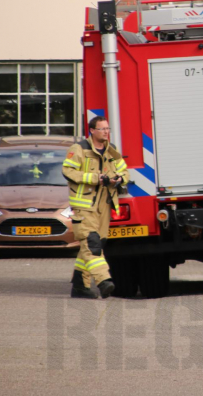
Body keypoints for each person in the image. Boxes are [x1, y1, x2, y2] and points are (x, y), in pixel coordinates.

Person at [62, 116, 130, 299]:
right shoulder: (79, 149)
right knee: (92, 244)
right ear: (92, 130)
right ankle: (103, 281)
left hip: (104, 205)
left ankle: (80, 286)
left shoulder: (111, 149)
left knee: (94, 244)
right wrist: (94, 178)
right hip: (85, 206)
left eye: (107, 129)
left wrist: (119, 179)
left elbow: (124, 170)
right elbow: (68, 171)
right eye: (102, 129)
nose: (106, 132)